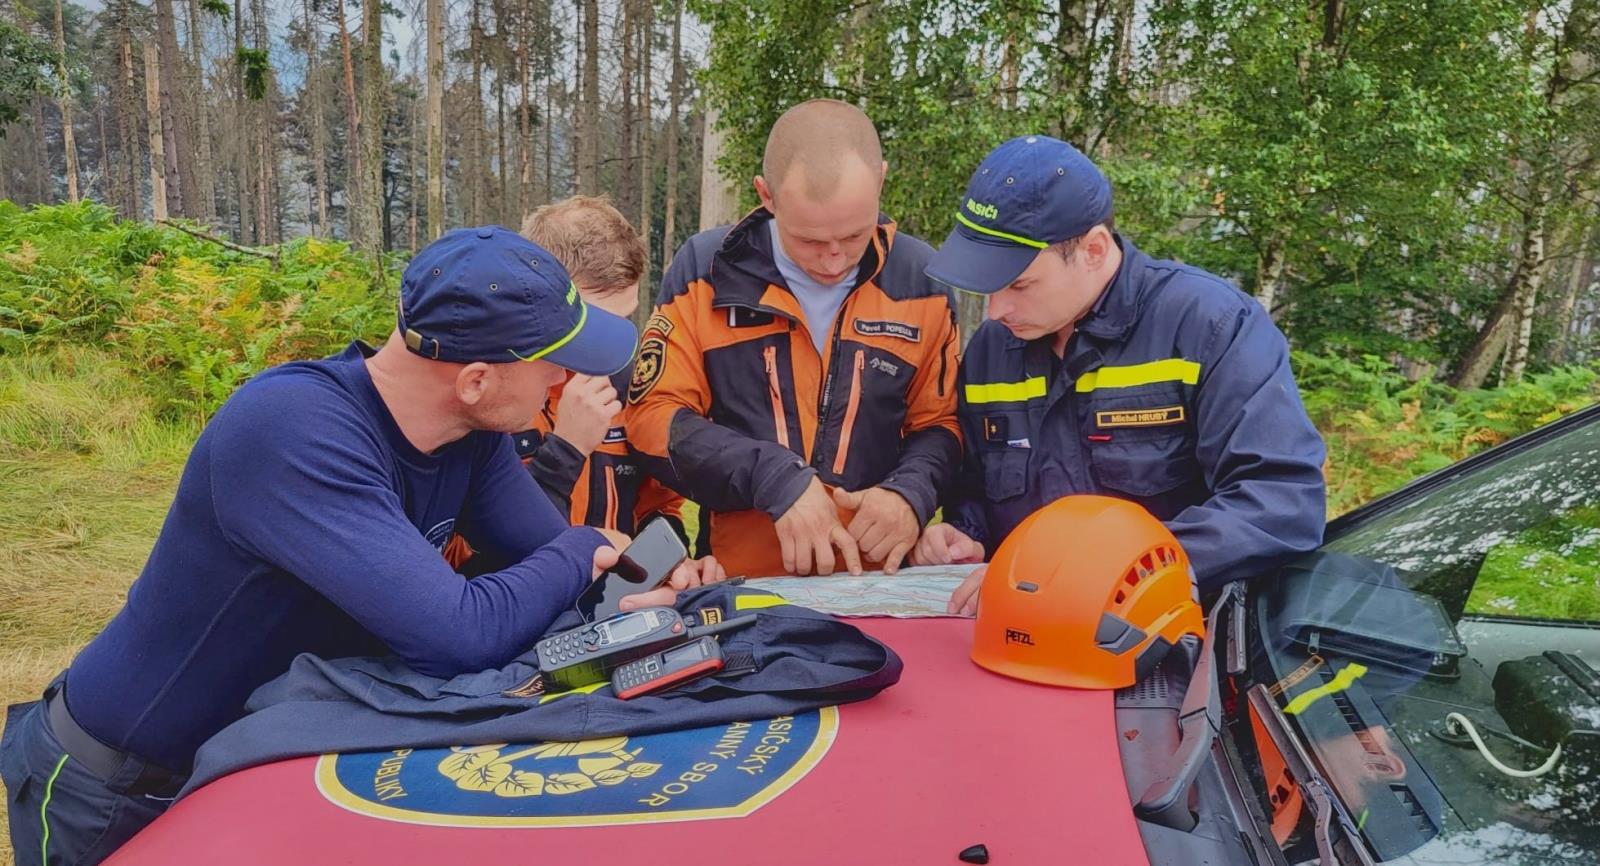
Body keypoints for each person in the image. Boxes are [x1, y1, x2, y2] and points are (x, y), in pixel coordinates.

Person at [0, 227, 709, 866]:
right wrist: (585, 546)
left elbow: (554, 564)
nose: (563, 380)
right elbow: (460, 633)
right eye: (551, 362)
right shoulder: (291, 431)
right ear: (474, 380)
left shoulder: (470, 437)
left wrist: (644, 579)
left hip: (253, 765)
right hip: (118, 782)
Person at [911, 135, 1327, 612]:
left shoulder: (1208, 327)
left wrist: (1096, 570)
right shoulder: (992, 349)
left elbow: (1280, 503)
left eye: (1019, 285)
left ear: (1092, 249)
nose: (995, 311)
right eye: (987, 288)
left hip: (1174, 642)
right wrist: (963, 536)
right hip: (1020, 639)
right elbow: (978, 493)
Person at [627, 99, 962, 578]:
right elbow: (651, 420)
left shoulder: (921, 282)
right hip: (741, 583)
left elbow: (943, 425)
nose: (833, 260)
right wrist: (771, 475)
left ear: (881, 179)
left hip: (879, 587)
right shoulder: (706, 272)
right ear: (766, 195)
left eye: (853, 236)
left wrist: (912, 492)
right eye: (807, 240)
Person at [442, 196, 723, 583]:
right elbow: (462, 560)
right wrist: (565, 450)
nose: (608, 346)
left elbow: (660, 508)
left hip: (613, 614)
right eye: (592, 324)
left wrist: (670, 565)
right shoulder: (486, 391)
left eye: (624, 321)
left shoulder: (630, 381)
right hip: (515, 615)